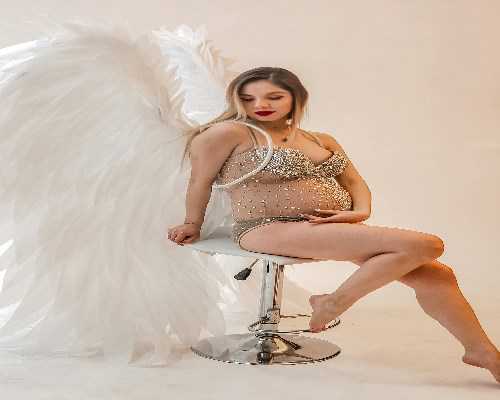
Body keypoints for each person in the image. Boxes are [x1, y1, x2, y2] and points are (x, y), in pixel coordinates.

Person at [167, 67, 500, 382]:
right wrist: (192, 222)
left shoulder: (320, 139)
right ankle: (334, 302)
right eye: (249, 98)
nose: (261, 105)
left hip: (326, 228)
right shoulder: (230, 133)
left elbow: (354, 182)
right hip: (266, 227)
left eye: (274, 96)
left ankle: (482, 351)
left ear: (296, 97)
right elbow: (200, 181)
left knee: (438, 274)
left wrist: (359, 213)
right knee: (427, 244)